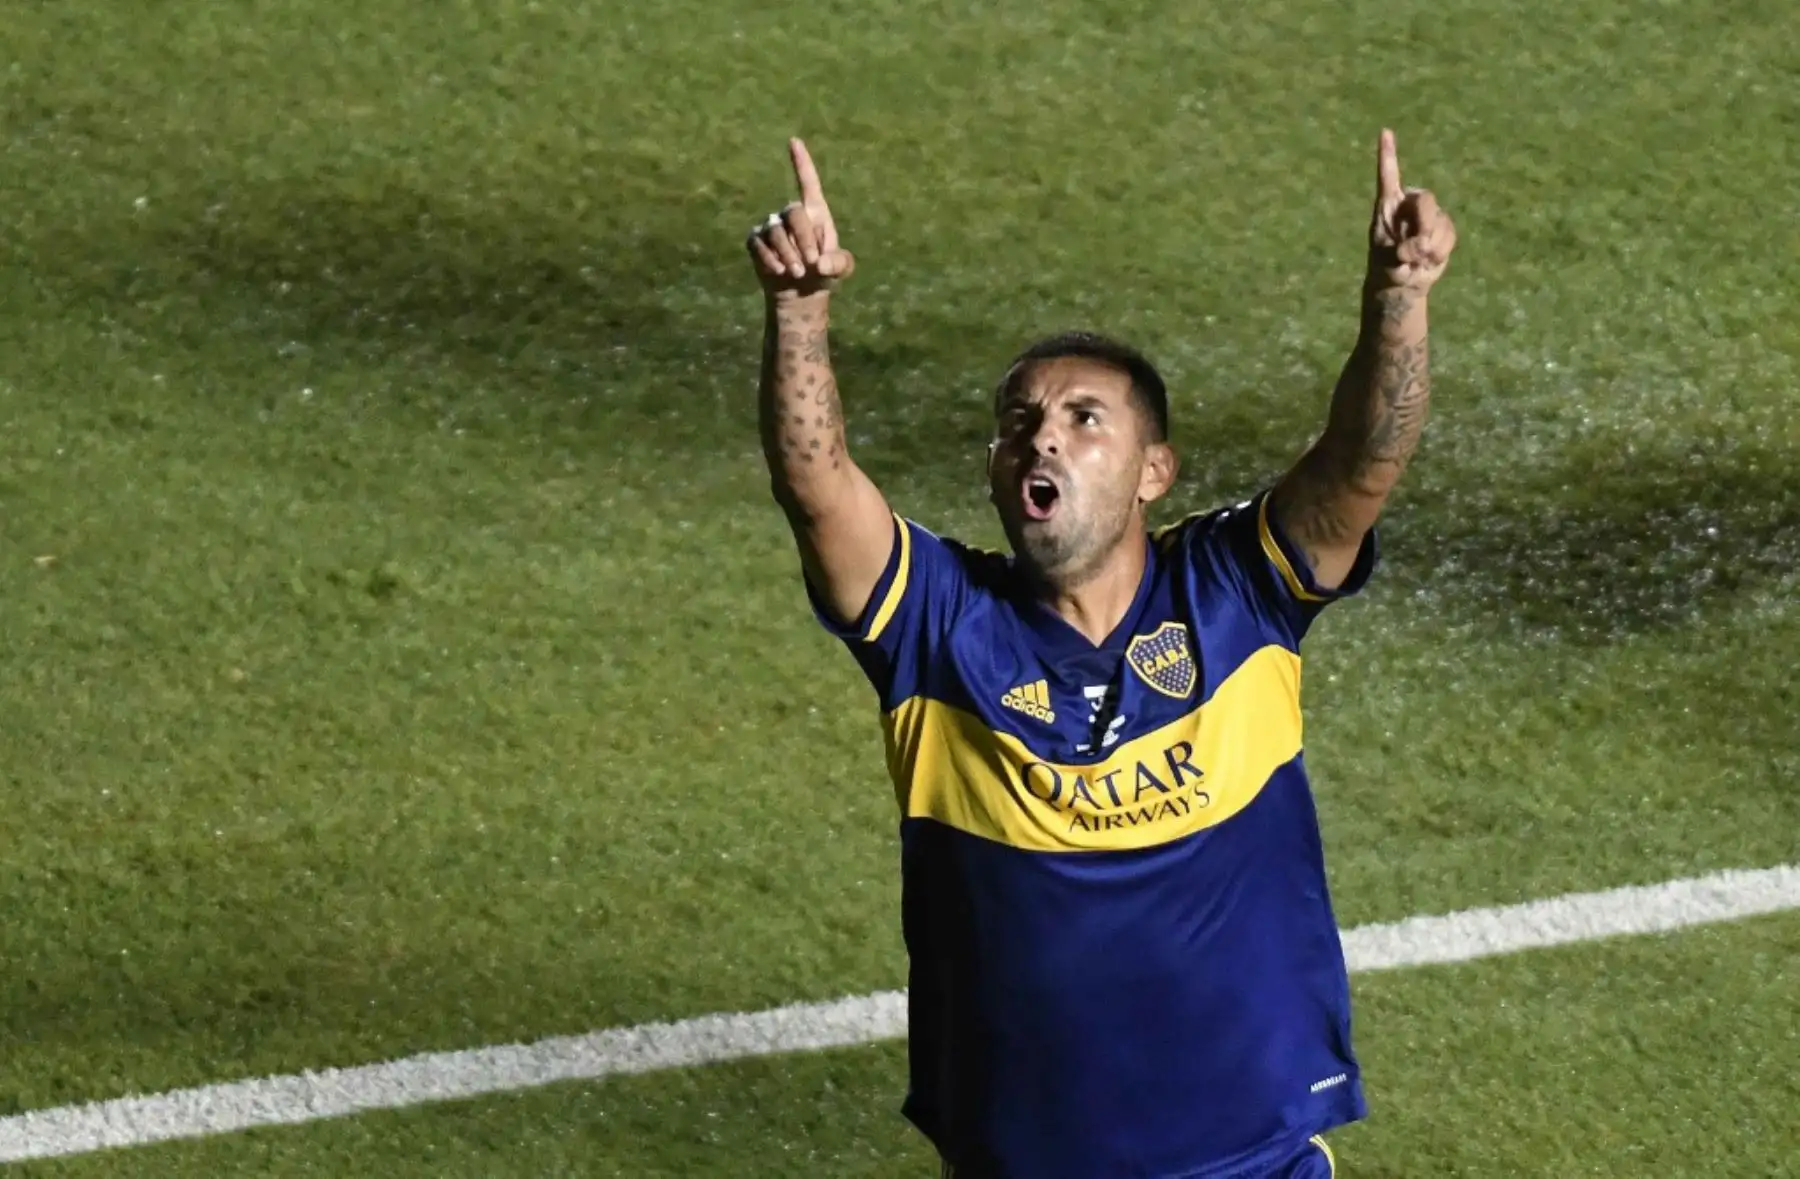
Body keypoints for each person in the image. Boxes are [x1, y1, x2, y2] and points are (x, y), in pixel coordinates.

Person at [745, 131, 1456, 1179]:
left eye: (1084, 420)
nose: (1041, 439)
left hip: (1246, 1157)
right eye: (1018, 424)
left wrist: (1399, 294)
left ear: (1153, 469)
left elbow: (1364, 459)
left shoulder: (1234, 589)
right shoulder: (939, 626)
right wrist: (799, 311)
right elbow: (817, 485)